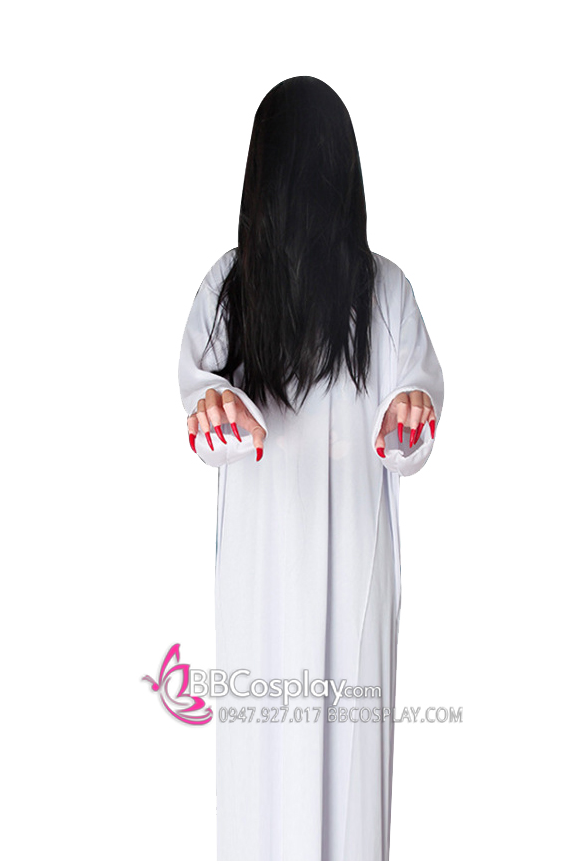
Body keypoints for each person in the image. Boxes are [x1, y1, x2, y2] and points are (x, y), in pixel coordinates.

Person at [178, 76, 444, 862]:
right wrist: (216, 408)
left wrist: (409, 412)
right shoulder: (230, 289)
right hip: (264, 573)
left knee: (350, 772)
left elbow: (414, 398)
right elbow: (202, 401)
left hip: (355, 568)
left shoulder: (384, 290)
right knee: (265, 767)